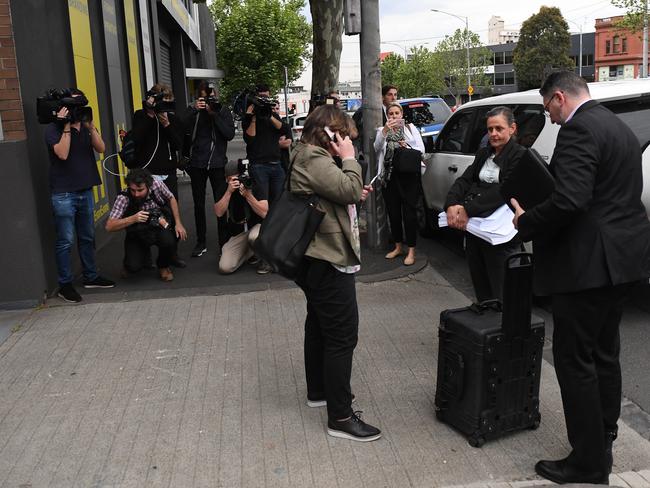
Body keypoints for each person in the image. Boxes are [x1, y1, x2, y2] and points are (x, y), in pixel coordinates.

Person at [511, 71, 650, 485]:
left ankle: (588, 463)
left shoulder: (578, 130)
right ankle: (604, 436)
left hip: (587, 266)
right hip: (623, 261)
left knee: (575, 360)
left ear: (558, 98)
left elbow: (571, 199)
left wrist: (527, 219)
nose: (549, 119)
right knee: (604, 352)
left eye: (547, 109)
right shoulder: (619, 127)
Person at [289, 104, 381, 442]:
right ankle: (340, 416)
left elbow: (340, 193)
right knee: (342, 336)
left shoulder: (305, 155)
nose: (346, 142)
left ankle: (319, 392)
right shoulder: (314, 158)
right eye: (343, 136)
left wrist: (349, 185)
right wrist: (350, 160)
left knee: (318, 325)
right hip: (327, 259)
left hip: (314, 257)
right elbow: (349, 190)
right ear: (329, 133)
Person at [444, 106, 525, 303]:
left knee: (502, 293)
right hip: (476, 231)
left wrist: (467, 209)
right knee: (482, 290)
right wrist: (451, 204)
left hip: (501, 238)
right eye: (490, 129)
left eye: (499, 129)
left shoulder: (520, 156)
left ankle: (503, 331)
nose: (494, 134)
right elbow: (465, 180)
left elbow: (502, 191)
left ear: (512, 128)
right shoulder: (483, 153)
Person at [45, 88, 115, 303]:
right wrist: (65, 125)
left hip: (85, 190)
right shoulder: (52, 128)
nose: (78, 111)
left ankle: (90, 276)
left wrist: (90, 126)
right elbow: (62, 154)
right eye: (74, 107)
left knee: (87, 236)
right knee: (65, 240)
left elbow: (101, 148)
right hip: (63, 193)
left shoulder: (85, 127)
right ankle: (65, 284)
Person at [130, 83, 186, 267]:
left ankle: (172, 254)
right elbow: (136, 139)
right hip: (146, 173)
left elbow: (179, 145)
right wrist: (150, 115)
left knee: (169, 213)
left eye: (167, 100)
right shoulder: (141, 115)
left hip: (167, 171)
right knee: (142, 213)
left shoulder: (172, 118)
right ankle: (143, 255)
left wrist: (167, 124)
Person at [183, 81, 235, 258]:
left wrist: (215, 114)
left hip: (217, 163)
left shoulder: (223, 111)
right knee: (198, 204)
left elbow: (229, 134)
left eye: (211, 97)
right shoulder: (195, 112)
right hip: (197, 163)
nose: (208, 101)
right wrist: (194, 111)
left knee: (221, 202)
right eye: (204, 98)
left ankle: (224, 240)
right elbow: (182, 130)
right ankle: (201, 241)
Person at [106, 169, 187, 282]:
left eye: (140, 190)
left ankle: (163, 266)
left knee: (170, 240)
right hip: (137, 231)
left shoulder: (157, 184)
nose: (136, 194)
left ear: (148, 185)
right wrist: (133, 218)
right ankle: (134, 260)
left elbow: (171, 198)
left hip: (158, 226)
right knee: (133, 267)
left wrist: (178, 223)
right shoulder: (123, 197)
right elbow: (109, 226)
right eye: (133, 190)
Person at [374, 102, 425, 266]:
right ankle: (398, 246)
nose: (394, 116)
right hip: (390, 176)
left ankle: (411, 250)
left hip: (409, 177)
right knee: (393, 214)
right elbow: (376, 148)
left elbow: (421, 151)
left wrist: (406, 144)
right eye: (391, 113)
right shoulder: (381, 131)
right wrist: (385, 131)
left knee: (409, 214)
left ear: (401, 115)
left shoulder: (410, 128)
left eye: (397, 113)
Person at [213, 160, 269, 274]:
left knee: (254, 237)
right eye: (234, 179)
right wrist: (229, 192)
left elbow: (265, 213)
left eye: (240, 178)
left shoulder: (254, 183)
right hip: (238, 233)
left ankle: (267, 259)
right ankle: (249, 252)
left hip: (257, 228)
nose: (239, 182)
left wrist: (248, 196)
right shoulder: (225, 187)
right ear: (227, 179)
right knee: (225, 267)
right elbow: (219, 212)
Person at [242, 84, 285, 203]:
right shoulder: (249, 117)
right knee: (262, 203)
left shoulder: (273, 115)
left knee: (278, 202)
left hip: (276, 164)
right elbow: (249, 139)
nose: (264, 100)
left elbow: (283, 129)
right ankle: (264, 222)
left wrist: (269, 115)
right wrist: (254, 117)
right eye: (261, 97)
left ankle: (275, 222)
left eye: (266, 97)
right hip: (258, 165)